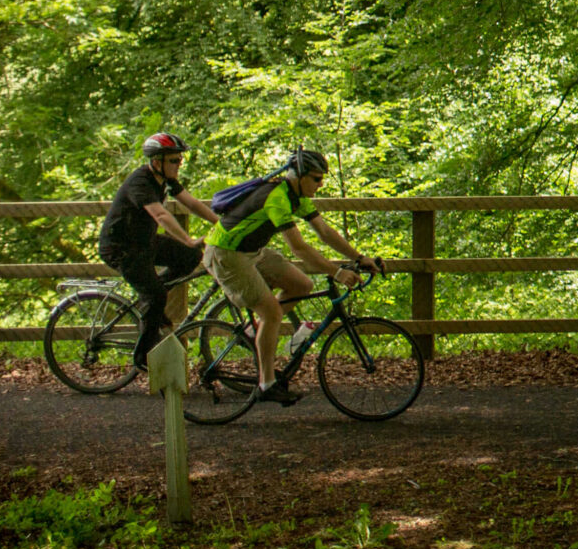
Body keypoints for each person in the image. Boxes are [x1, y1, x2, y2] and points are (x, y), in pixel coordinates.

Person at [201, 148, 376, 404]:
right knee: (272, 312)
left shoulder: (296, 196)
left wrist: (360, 258)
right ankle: (266, 384)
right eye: (316, 178)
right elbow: (299, 247)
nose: (321, 183)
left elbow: (324, 232)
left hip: (252, 251)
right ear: (299, 176)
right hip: (226, 254)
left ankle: (254, 332)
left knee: (301, 284)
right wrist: (337, 272)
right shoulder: (277, 198)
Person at [95, 133, 220, 371]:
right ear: (156, 161)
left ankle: (154, 295)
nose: (178, 165)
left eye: (179, 160)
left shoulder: (165, 179)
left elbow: (190, 203)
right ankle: (143, 357)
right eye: (173, 160)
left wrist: (221, 224)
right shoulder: (140, 182)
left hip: (144, 243)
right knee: (156, 297)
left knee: (189, 256)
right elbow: (161, 215)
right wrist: (188, 239)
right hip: (121, 248)